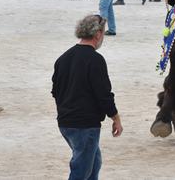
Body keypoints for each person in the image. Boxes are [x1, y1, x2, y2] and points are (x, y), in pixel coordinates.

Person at [51, 15, 123, 180]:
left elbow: (55, 91)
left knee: (94, 163)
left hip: (65, 122)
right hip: (85, 125)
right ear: (97, 34)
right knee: (81, 171)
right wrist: (116, 118)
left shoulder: (63, 58)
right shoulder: (95, 60)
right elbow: (104, 95)